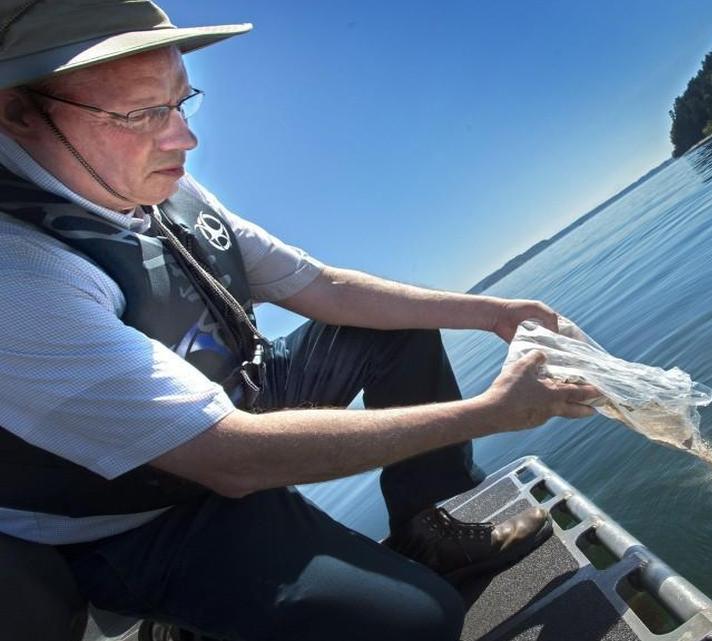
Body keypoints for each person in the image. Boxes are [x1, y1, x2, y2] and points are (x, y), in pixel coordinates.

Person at [0, 1, 600, 640]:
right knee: (419, 624)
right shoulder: (21, 280)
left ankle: (425, 529)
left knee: (398, 328)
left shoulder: (165, 188)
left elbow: (321, 285)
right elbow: (230, 458)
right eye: (141, 113)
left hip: (238, 403)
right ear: (15, 111)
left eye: (180, 102)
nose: (184, 139)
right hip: (142, 511)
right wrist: (495, 410)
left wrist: (493, 312)